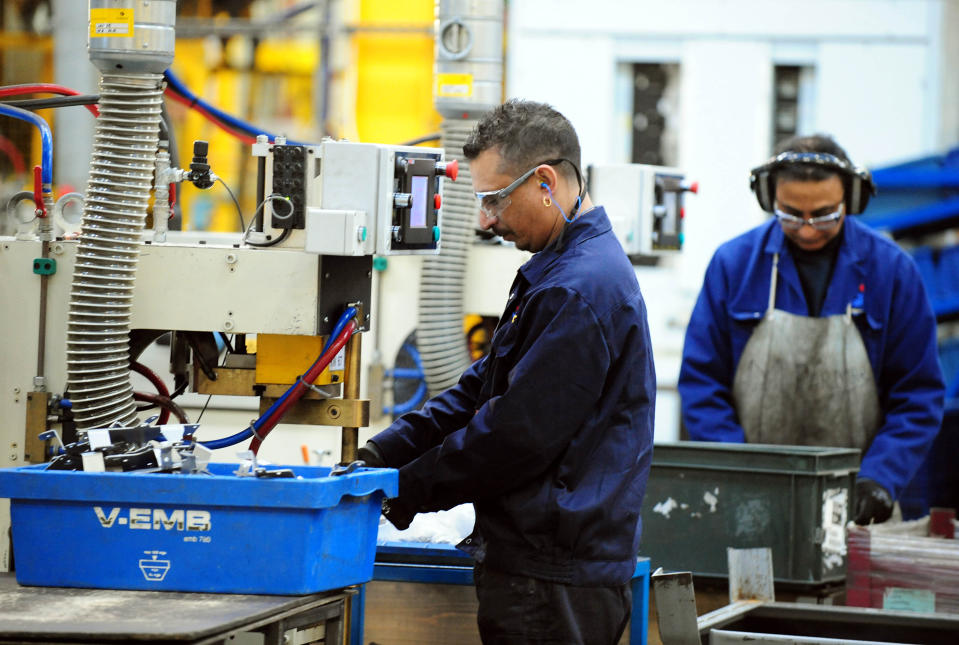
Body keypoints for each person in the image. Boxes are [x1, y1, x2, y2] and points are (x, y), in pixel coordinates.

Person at [359, 99, 655, 644]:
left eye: (495, 199)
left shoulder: (579, 288)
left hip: (552, 574)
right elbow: (483, 387)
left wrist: (404, 487)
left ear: (545, 180)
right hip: (543, 564)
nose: (485, 219)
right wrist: (388, 451)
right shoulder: (559, 270)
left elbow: (515, 435)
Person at [678, 134, 945, 526]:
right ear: (770, 199)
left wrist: (880, 478)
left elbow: (918, 394)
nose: (806, 229)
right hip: (751, 501)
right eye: (790, 214)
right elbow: (702, 384)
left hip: (860, 508)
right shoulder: (733, 266)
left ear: (850, 201)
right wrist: (741, 470)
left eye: (823, 215)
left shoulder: (892, 272)